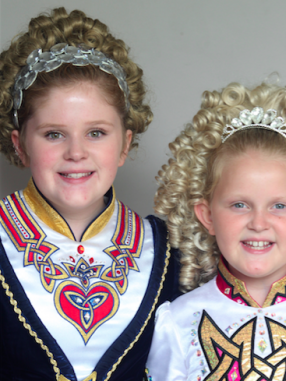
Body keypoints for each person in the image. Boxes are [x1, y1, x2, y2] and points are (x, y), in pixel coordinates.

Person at [0, 8, 180, 381]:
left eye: (96, 132)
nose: (76, 152)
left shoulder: (171, 253)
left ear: (125, 144)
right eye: (54, 134)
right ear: (20, 145)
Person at [146, 82, 286, 380]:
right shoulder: (178, 322)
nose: (259, 223)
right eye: (240, 204)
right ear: (207, 216)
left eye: (279, 206)